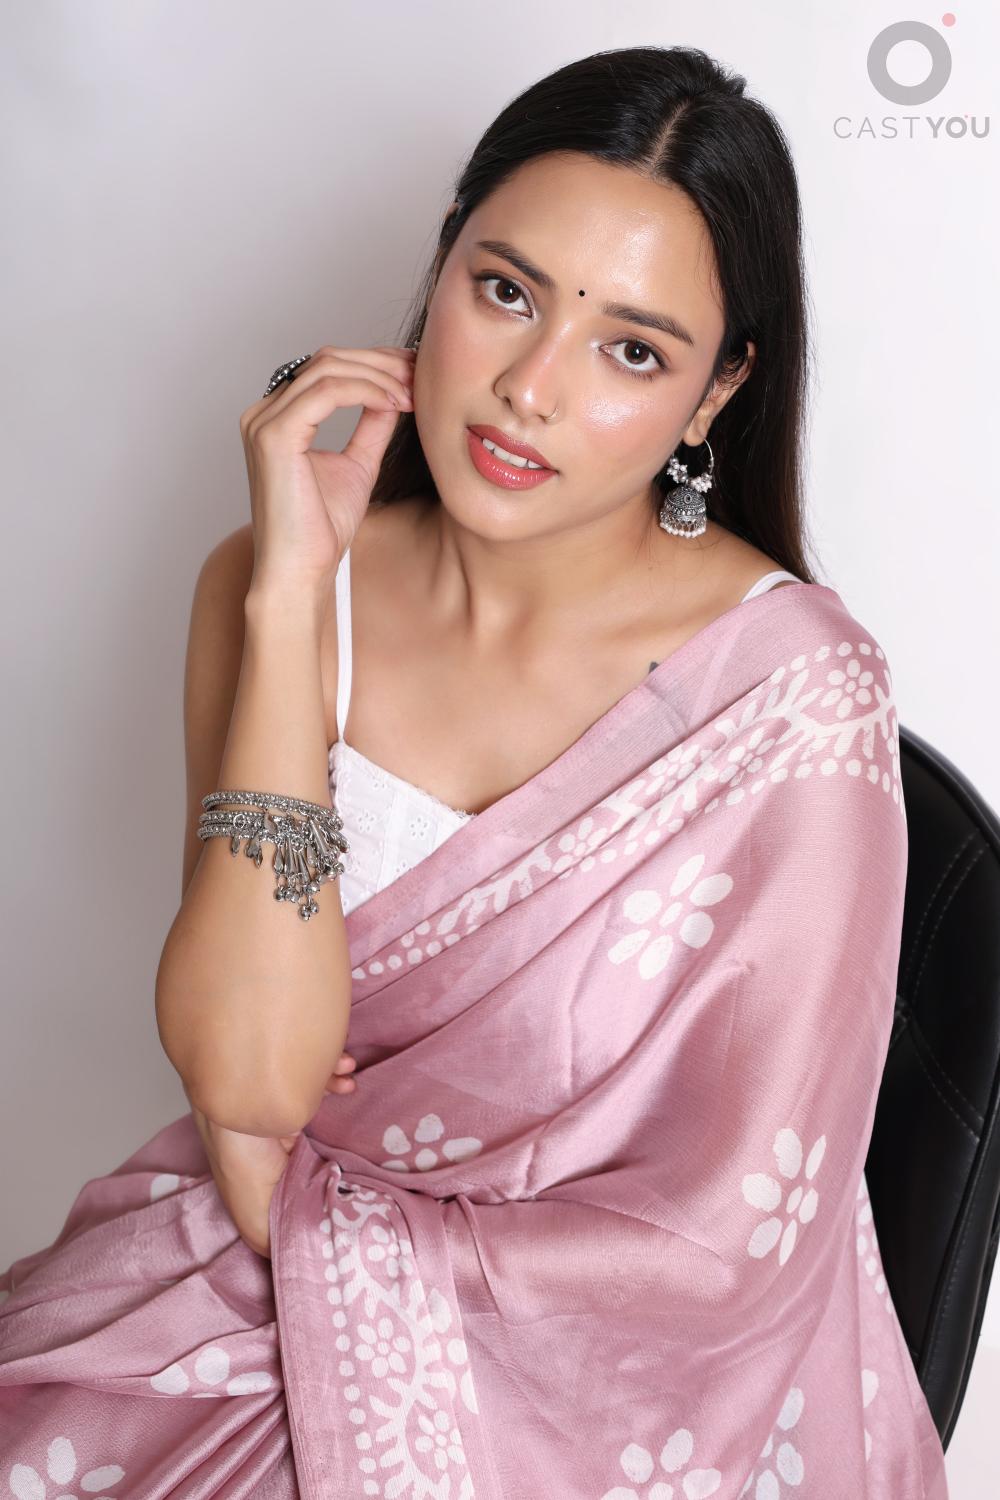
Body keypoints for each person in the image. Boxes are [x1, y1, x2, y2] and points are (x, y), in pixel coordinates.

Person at [0, 44, 949, 1500]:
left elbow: (731, 1244)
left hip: (604, 1393)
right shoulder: (277, 587)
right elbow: (245, 1083)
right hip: (243, 1274)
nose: (529, 391)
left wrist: (334, 1237)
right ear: (441, 266)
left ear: (718, 394)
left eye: (633, 351)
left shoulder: (795, 701)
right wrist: (290, 596)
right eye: (506, 292)